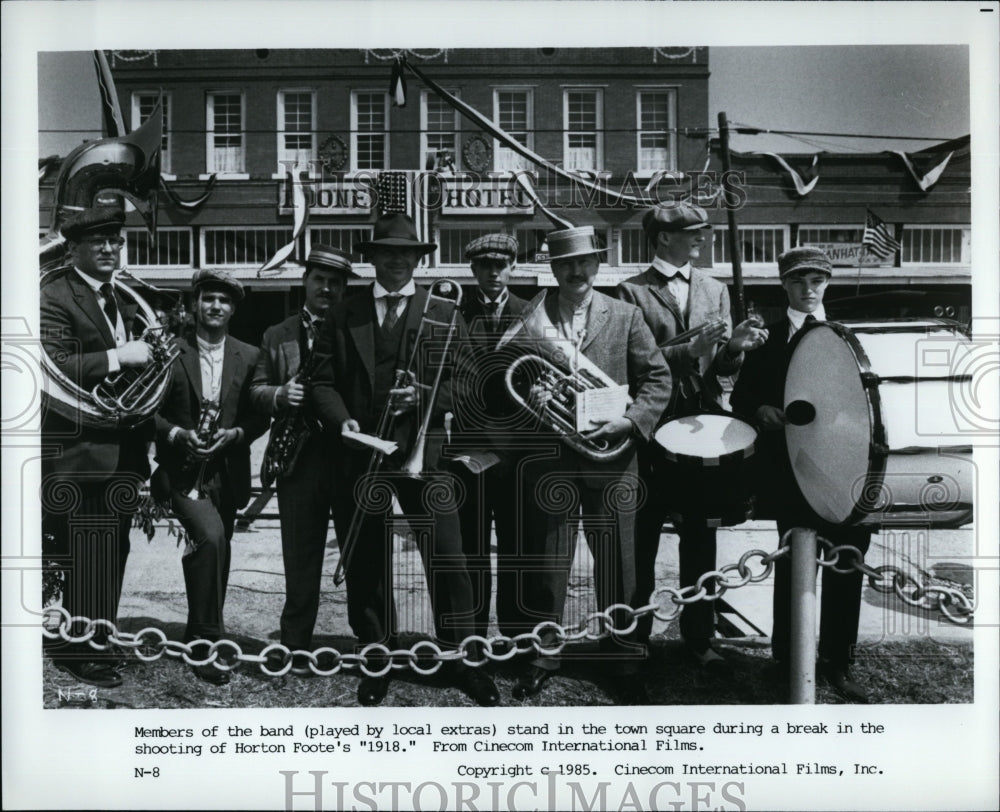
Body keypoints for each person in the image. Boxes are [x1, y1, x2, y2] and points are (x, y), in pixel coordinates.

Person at [310, 213, 498, 707]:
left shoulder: (442, 312)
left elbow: (469, 384)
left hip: (425, 455)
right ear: (371, 258)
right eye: (387, 252)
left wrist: (425, 399)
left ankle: (464, 659)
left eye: (406, 252)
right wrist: (341, 421)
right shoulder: (343, 311)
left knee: (449, 558)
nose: (396, 260)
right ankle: (377, 657)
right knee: (367, 560)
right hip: (360, 454)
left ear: (419, 258)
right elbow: (321, 381)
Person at [507, 225, 672, 703]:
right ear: (553, 269)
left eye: (583, 263)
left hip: (613, 457)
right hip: (553, 458)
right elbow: (516, 379)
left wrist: (631, 421)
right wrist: (534, 394)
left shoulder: (625, 315)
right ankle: (543, 656)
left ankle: (622, 656)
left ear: (597, 266)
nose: (575, 271)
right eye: (565, 264)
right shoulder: (533, 315)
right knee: (547, 563)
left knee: (619, 563)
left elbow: (657, 378)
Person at [617, 201, 767, 671]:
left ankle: (698, 638)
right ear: (663, 237)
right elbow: (632, 367)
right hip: (649, 433)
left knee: (701, 540)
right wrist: (689, 351)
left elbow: (720, 369)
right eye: (693, 232)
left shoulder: (714, 289)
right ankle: (634, 639)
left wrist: (734, 350)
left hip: (702, 429)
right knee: (639, 541)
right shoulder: (629, 291)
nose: (703, 238)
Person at [730, 246, 872, 703]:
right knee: (793, 564)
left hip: (846, 469)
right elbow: (740, 400)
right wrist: (760, 410)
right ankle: (786, 658)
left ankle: (839, 661)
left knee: (847, 563)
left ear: (827, 283)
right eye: (797, 281)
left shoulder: (848, 337)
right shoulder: (766, 340)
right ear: (783, 285)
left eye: (816, 281)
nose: (808, 290)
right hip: (790, 471)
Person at [40, 206, 155, 688]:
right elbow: (55, 363)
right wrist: (118, 355)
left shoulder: (122, 299)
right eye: (98, 242)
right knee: (89, 547)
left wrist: (152, 353)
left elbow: (143, 363)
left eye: (116, 240)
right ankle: (82, 651)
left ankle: (97, 638)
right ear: (75, 248)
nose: (110, 248)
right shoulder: (53, 295)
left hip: (122, 448)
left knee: (114, 547)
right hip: (81, 449)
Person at [151, 269, 267, 685]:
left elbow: (258, 414)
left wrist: (236, 435)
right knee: (211, 538)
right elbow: (148, 411)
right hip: (182, 473)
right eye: (207, 299)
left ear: (233, 309)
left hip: (228, 472)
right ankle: (205, 643)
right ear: (194, 305)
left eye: (223, 300)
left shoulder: (250, 355)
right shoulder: (168, 351)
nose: (215, 306)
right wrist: (177, 434)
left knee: (217, 550)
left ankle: (199, 628)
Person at [250, 245, 354, 665]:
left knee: (361, 553)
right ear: (305, 282)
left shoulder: (357, 327)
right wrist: (279, 394)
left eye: (335, 282)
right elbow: (255, 389)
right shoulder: (277, 334)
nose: (326, 288)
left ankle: (373, 642)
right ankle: (294, 643)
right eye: (319, 279)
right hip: (298, 459)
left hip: (348, 455)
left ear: (344, 288)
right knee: (300, 555)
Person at [452, 233, 530, 642]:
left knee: (517, 551)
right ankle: (473, 640)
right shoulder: (451, 312)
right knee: (471, 552)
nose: (494, 272)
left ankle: (516, 640)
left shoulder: (532, 312)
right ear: (473, 269)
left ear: (513, 267)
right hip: (467, 454)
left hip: (516, 457)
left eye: (501, 265)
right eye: (485, 266)